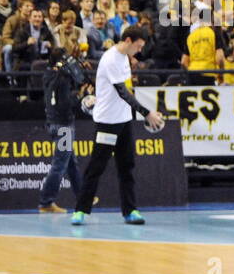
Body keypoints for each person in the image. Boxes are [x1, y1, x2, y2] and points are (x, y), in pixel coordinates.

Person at [70, 27, 164, 226]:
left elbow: (127, 89)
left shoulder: (124, 58)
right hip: (107, 122)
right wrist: (147, 113)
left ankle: (130, 210)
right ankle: (80, 210)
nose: (139, 51)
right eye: (138, 46)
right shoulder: (112, 59)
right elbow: (122, 91)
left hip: (123, 120)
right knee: (97, 166)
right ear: (128, 40)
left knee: (126, 166)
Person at [38, 49, 90, 213]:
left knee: (71, 162)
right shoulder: (62, 79)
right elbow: (66, 104)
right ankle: (46, 202)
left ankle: (82, 196)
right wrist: (80, 96)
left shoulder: (49, 75)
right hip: (64, 127)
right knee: (60, 165)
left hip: (54, 124)